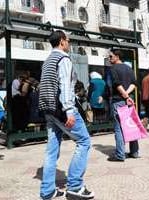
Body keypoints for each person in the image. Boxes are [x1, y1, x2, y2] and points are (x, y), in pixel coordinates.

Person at [38, 30, 94, 200]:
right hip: (62, 109)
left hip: (48, 109)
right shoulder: (63, 59)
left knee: (51, 150)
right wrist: (69, 110)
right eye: (68, 40)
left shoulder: (47, 60)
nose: (68, 43)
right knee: (84, 141)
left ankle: (48, 191)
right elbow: (65, 86)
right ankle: (75, 186)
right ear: (62, 41)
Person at [108, 49, 139, 161]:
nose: (109, 58)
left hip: (119, 101)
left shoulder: (113, 69)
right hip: (129, 101)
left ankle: (120, 155)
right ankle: (135, 152)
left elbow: (117, 84)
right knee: (131, 125)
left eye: (111, 56)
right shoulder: (128, 68)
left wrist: (125, 96)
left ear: (117, 56)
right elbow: (134, 83)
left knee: (119, 129)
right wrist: (128, 95)